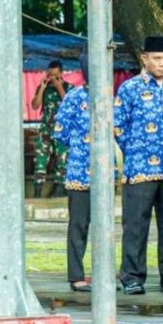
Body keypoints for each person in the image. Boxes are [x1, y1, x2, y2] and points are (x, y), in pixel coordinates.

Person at [114, 36, 163, 295]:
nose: (162, 63)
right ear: (145, 59)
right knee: (136, 225)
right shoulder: (129, 89)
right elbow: (118, 127)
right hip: (140, 169)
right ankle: (132, 275)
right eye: (157, 59)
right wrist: (137, 149)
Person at [53, 60, 92, 292]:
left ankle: (103, 273)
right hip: (80, 171)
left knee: (105, 228)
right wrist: (80, 148)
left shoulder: (111, 97)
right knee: (79, 225)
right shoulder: (74, 97)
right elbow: (60, 132)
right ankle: (76, 275)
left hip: (106, 174)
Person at [31, 60, 69, 197]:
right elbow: (35, 105)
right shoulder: (44, 88)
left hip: (61, 131)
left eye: (55, 75)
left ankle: (59, 192)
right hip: (46, 130)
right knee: (40, 161)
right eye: (50, 74)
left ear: (61, 73)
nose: (52, 78)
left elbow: (69, 106)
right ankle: (37, 192)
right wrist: (41, 88)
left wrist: (59, 88)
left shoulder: (68, 88)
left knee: (62, 162)